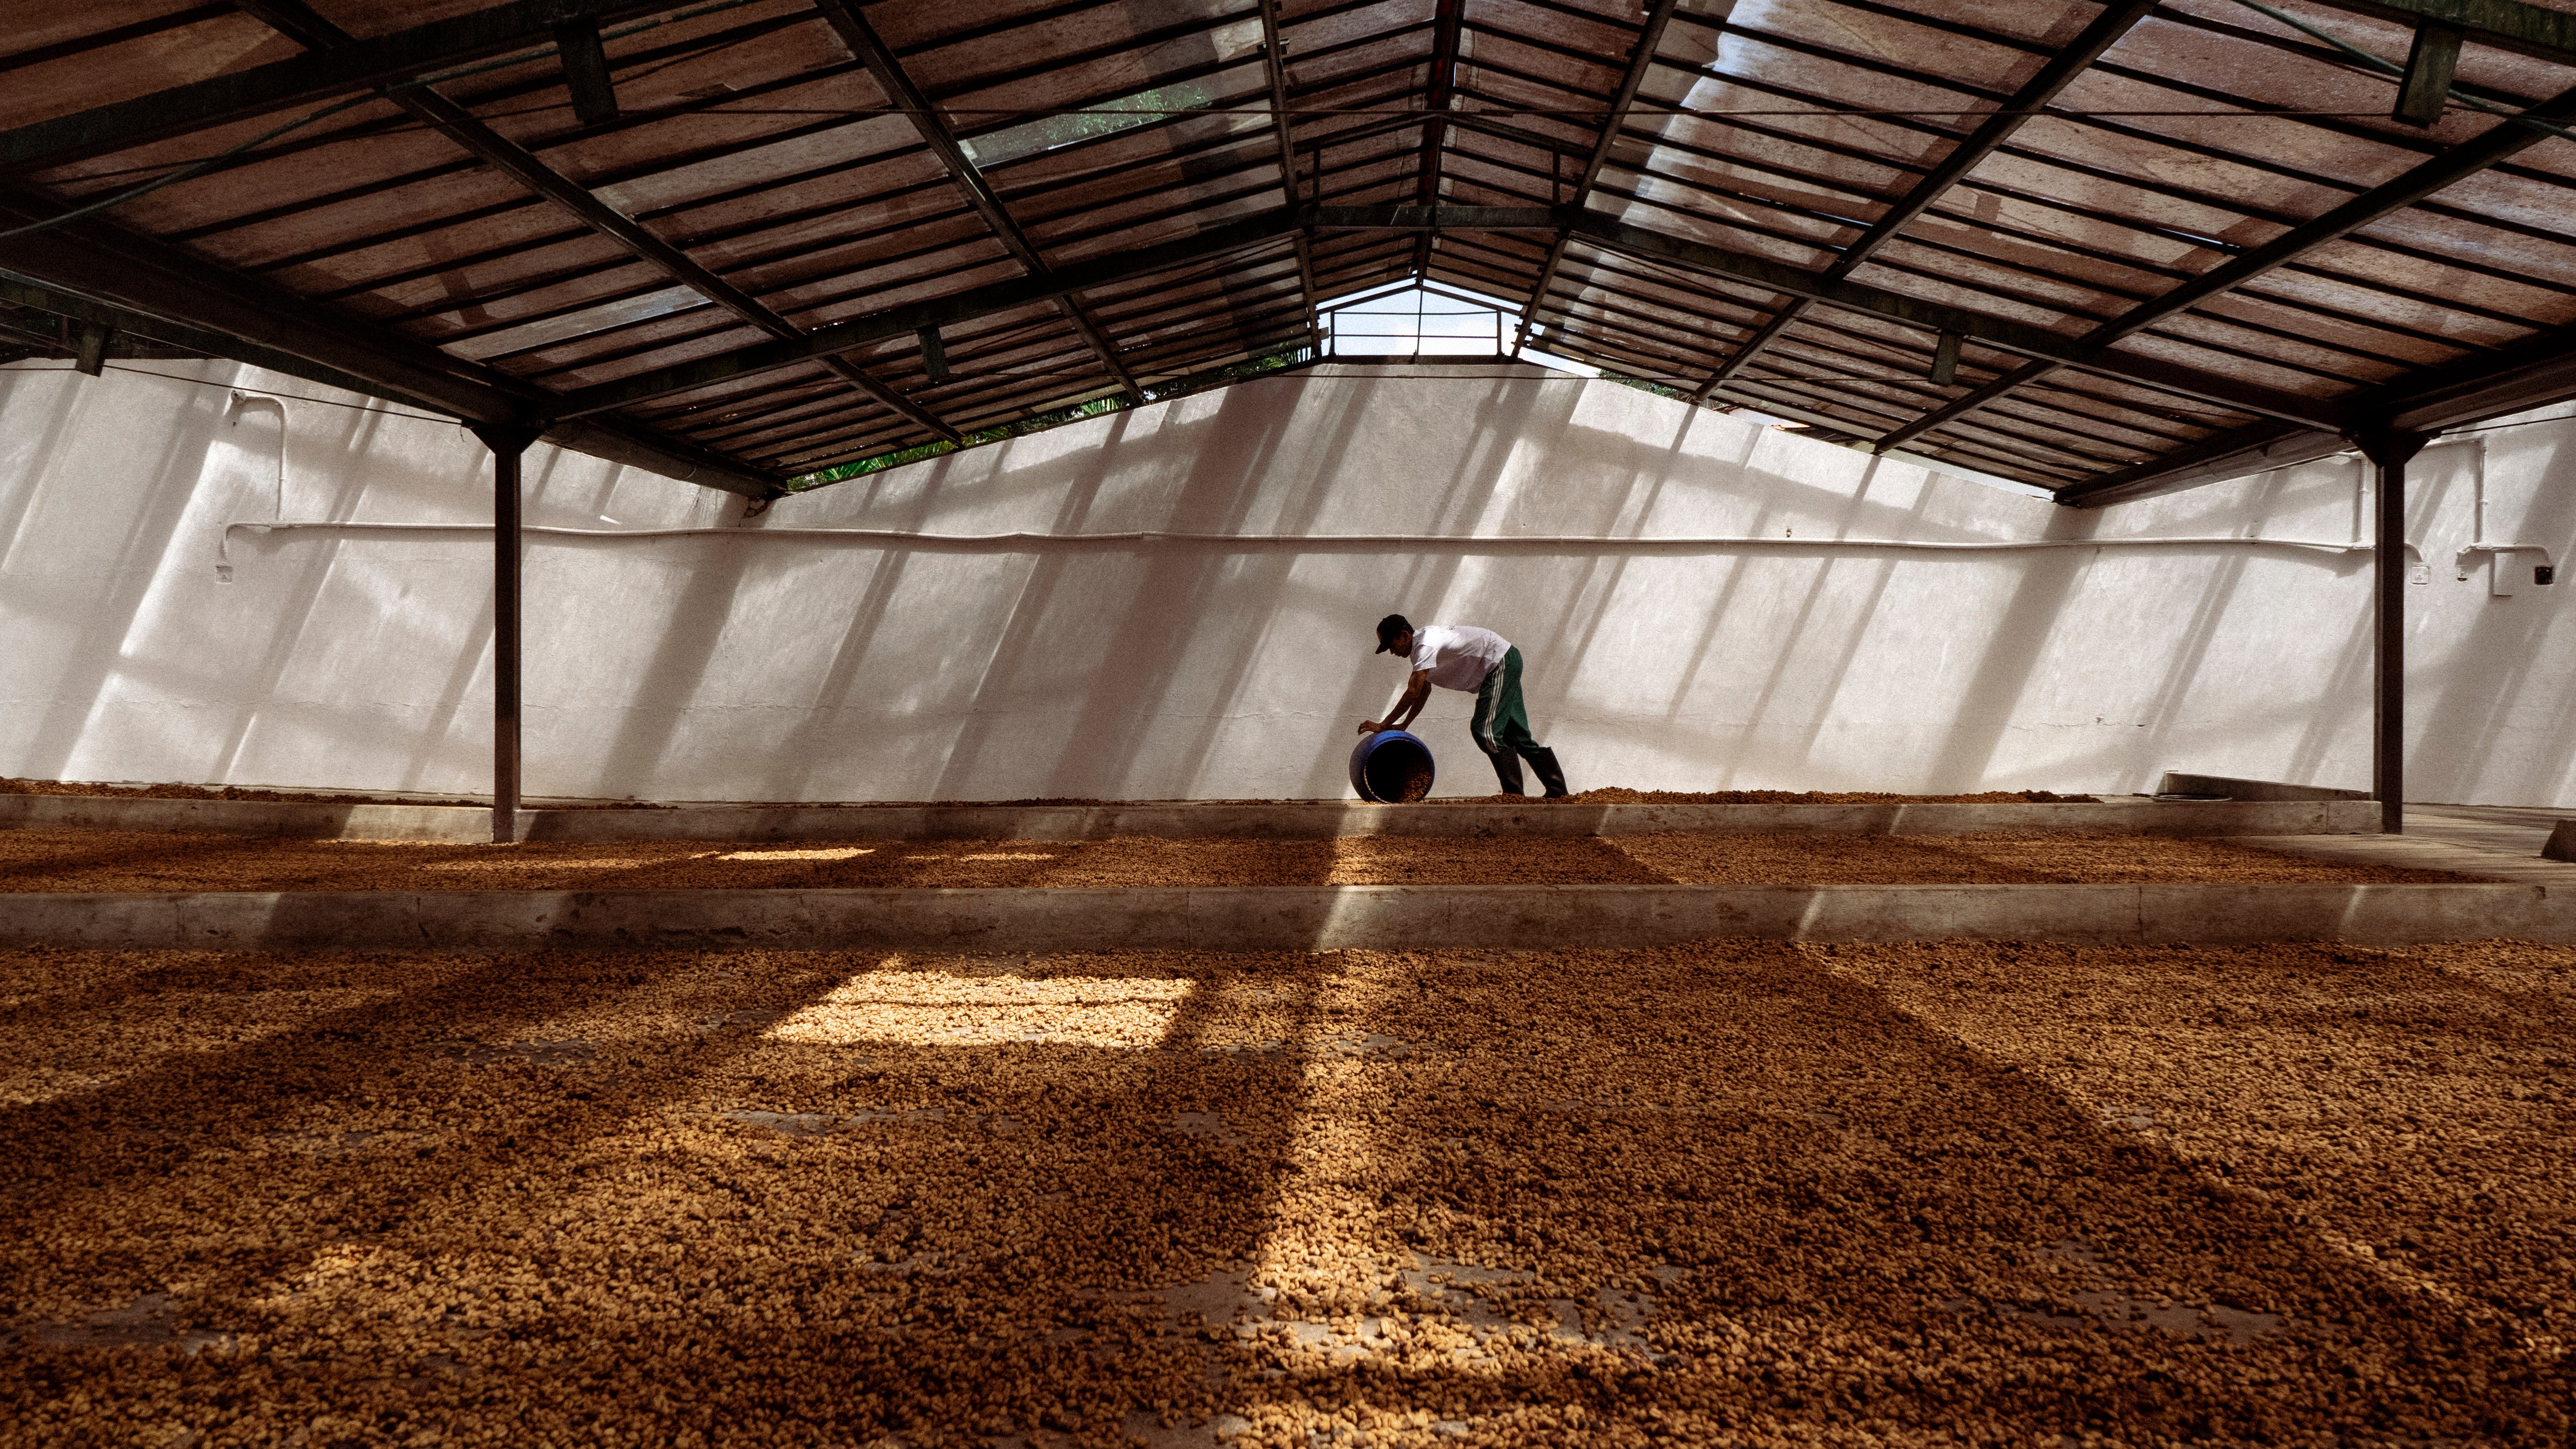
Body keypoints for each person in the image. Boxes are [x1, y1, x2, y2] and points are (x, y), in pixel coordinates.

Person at [1359, 614, 1570, 798]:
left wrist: (1383, 724)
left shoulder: (1425, 645)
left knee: (1485, 731)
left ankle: (1514, 795)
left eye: (1392, 646)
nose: (1392, 653)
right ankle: (1558, 791)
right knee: (1517, 734)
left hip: (1498, 663)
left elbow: (1413, 692)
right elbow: (1424, 692)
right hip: (1506, 659)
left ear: (1404, 636)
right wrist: (1405, 724)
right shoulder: (1421, 649)